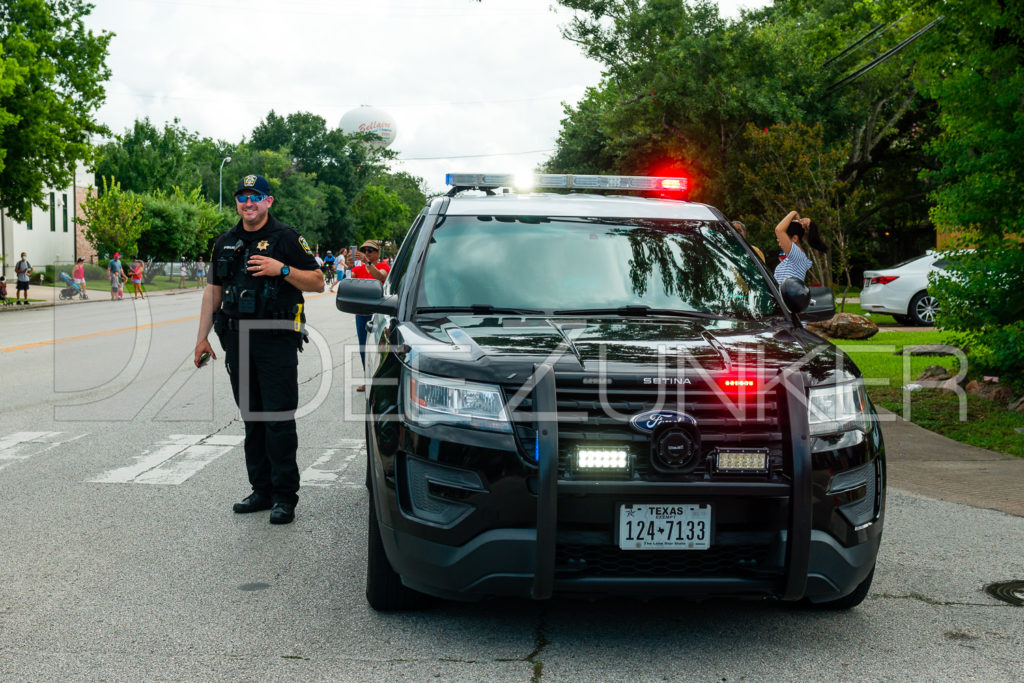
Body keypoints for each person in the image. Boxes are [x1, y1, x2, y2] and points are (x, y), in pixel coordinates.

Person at [192, 173, 323, 525]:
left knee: (278, 419)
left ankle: (285, 497)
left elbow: (317, 281)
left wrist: (280, 269)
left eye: (256, 196)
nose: (248, 202)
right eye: (242, 196)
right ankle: (261, 490)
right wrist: (202, 337)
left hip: (276, 339)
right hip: (237, 340)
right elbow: (213, 291)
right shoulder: (226, 241)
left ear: (268, 201)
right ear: (237, 202)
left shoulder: (286, 238)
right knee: (253, 419)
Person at [346, 240, 389, 392]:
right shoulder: (358, 269)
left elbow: (379, 276)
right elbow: (348, 281)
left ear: (377, 253)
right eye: (365, 250)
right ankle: (367, 379)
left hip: (378, 313)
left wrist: (368, 263)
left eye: (371, 250)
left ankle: (380, 380)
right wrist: (349, 265)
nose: (368, 253)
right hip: (362, 313)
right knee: (363, 348)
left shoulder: (383, 266)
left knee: (379, 347)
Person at [773, 210, 828, 284]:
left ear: (795, 238)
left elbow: (779, 230)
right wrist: (797, 220)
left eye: (781, 240)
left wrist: (794, 213)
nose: (780, 244)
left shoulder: (797, 255)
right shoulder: (794, 257)